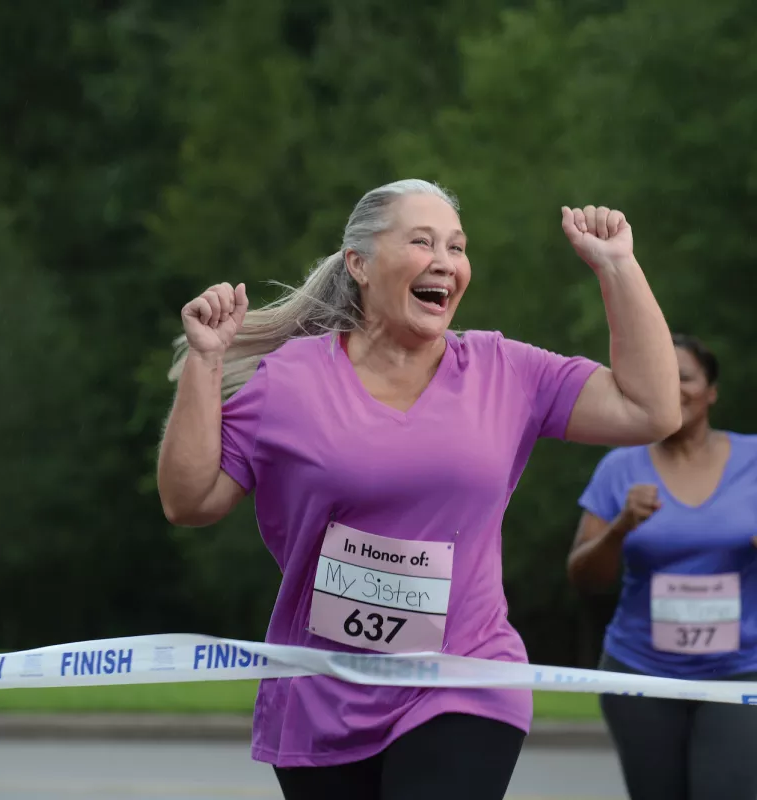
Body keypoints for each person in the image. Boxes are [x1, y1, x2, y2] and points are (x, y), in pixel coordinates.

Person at [157, 179, 680, 800]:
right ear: (359, 264)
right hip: (323, 692)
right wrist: (206, 362)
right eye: (422, 241)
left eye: (457, 248)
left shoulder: (504, 371)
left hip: (465, 679)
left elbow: (650, 410)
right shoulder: (290, 382)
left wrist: (618, 267)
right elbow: (189, 502)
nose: (446, 262)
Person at [568, 333, 757, 800]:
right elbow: (584, 577)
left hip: (742, 669)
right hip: (640, 668)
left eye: (686, 377)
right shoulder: (620, 468)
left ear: (711, 391)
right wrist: (620, 527)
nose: (674, 386)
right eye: (662, 376)